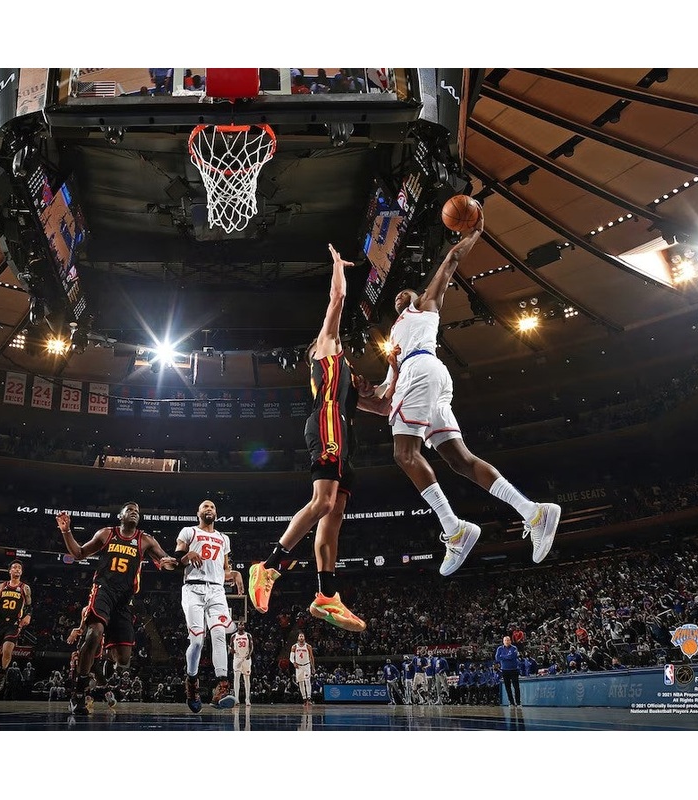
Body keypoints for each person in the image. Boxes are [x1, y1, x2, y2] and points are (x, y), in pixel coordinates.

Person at [364, 213, 561, 574]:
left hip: (422, 370)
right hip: (424, 378)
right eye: (396, 296)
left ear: (415, 296)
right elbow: (385, 397)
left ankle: (455, 529)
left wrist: (476, 232)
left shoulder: (424, 307)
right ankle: (534, 513)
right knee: (459, 460)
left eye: (405, 292)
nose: (400, 295)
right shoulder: (394, 341)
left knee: (404, 454)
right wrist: (355, 394)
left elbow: (451, 259)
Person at [249, 244, 380, 633]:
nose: (338, 341)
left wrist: (390, 375)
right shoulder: (325, 353)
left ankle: (326, 595)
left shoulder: (345, 378)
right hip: (326, 423)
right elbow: (337, 298)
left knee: (333, 514)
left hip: (344, 433)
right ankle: (269, 566)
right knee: (322, 501)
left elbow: (382, 407)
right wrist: (338, 266)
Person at [55, 502, 177, 716]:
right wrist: (66, 532)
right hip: (103, 591)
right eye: (130, 510)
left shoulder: (146, 540)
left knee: (123, 659)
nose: (134, 513)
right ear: (120, 515)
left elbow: (166, 561)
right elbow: (79, 553)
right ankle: (79, 692)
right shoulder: (106, 534)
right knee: (95, 633)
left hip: (125, 600)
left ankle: (99, 669)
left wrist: (171, 562)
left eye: (137, 511)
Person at [174, 499, 241, 712]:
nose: (209, 509)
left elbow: (225, 570)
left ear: (216, 514)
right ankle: (192, 682)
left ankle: (222, 687)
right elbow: (177, 560)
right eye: (205, 506)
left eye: (212, 507)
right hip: (193, 588)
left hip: (216, 590)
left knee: (219, 634)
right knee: (197, 642)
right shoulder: (188, 532)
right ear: (198, 513)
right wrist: (187, 556)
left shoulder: (223, 538)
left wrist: (235, 574)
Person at [0, 559, 32, 706]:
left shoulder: (25, 588)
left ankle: (3, 671)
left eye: (19, 568)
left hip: (13, 623)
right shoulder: (1, 586)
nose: (17, 569)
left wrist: (28, 615)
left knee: (6, 651)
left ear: (21, 572)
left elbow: (29, 606)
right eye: (14, 567)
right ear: (10, 571)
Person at [229, 620, 254, 706]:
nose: (241, 625)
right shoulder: (233, 636)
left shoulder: (248, 635)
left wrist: (249, 655)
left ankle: (247, 699)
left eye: (242, 624)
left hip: (246, 658)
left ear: (244, 626)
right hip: (237, 658)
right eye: (239, 624)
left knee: (247, 679)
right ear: (237, 626)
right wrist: (231, 650)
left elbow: (251, 646)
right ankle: (236, 699)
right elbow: (231, 647)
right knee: (236, 679)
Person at [495, 635, 522, 706]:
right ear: (503, 642)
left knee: (516, 687)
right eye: (505, 640)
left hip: (514, 670)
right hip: (505, 670)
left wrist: (502, 656)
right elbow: (497, 658)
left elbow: (512, 656)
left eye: (508, 640)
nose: (507, 642)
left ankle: (518, 702)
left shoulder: (514, 648)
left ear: (510, 641)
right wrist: (507, 656)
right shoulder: (500, 648)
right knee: (507, 687)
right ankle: (511, 702)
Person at [290, 632, 315, 707]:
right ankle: (304, 699)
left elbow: (311, 657)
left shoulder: (308, 646)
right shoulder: (294, 647)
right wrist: (293, 662)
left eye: (302, 636)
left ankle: (309, 698)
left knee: (307, 681)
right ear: (298, 638)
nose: (301, 637)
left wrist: (313, 667)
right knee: (301, 682)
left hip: (306, 665)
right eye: (300, 636)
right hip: (299, 667)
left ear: (304, 638)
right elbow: (291, 657)